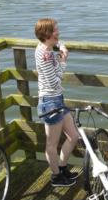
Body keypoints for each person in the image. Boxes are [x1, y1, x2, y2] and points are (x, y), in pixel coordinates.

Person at [34, 18, 80, 187]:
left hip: (57, 100)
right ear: (46, 34)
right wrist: (63, 61)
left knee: (74, 136)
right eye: (55, 30)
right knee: (51, 144)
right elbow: (55, 81)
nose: (58, 32)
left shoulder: (45, 46)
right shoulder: (45, 55)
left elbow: (57, 42)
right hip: (50, 102)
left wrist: (60, 46)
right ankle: (56, 177)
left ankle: (61, 167)